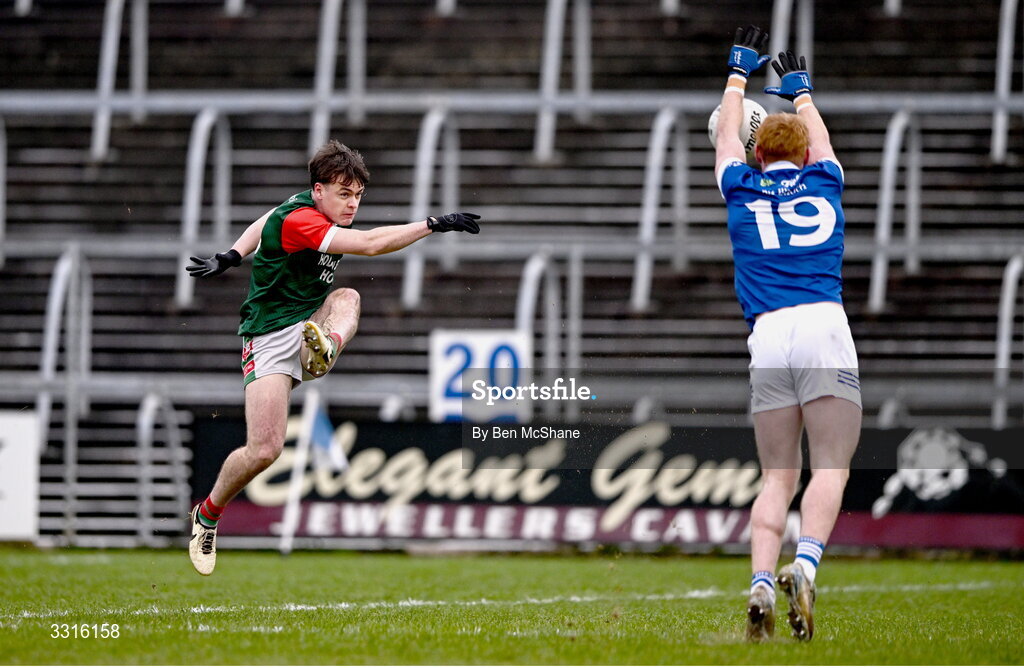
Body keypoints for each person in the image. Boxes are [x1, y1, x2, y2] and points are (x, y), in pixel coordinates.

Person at [184, 140, 481, 576]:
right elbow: (373, 245)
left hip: (308, 323)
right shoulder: (303, 219)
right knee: (264, 450)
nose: (352, 204)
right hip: (267, 337)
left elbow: (264, 218)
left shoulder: (299, 204)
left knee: (347, 296)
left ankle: (326, 348)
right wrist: (433, 224)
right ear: (318, 190)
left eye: (358, 195)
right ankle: (207, 515)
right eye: (344, 194)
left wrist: (233, 254)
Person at [714, 27, 862, 642]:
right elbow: (821, 143)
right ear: (804, 155)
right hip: (824, 325)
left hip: (769, 334)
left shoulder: (741, 185)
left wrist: (735, 78)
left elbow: (726, 136)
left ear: (756, 154)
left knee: (777, 475)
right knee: (830, 465)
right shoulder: (826, 179)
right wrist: (800, 95)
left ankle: (760, 580)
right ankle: (804, 567)